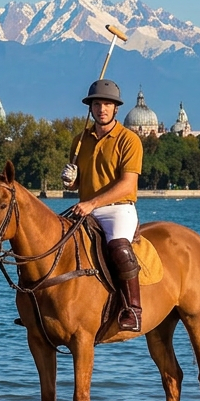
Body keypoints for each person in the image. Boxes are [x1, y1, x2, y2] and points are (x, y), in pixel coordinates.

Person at [62, 78, 144, 332]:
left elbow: (127, 185)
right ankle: (42, 307)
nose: (102, 109)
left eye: (107, 104)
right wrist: (70, 181)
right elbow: (77, 185)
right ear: (90, 107)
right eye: (97, 104)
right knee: (52, 242)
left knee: (119, 248)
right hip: (86, 206)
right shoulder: (79, 141)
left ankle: (132, 309)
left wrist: (93, 202)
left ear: (116, 108)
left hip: (119, 209)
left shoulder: (129, 140)